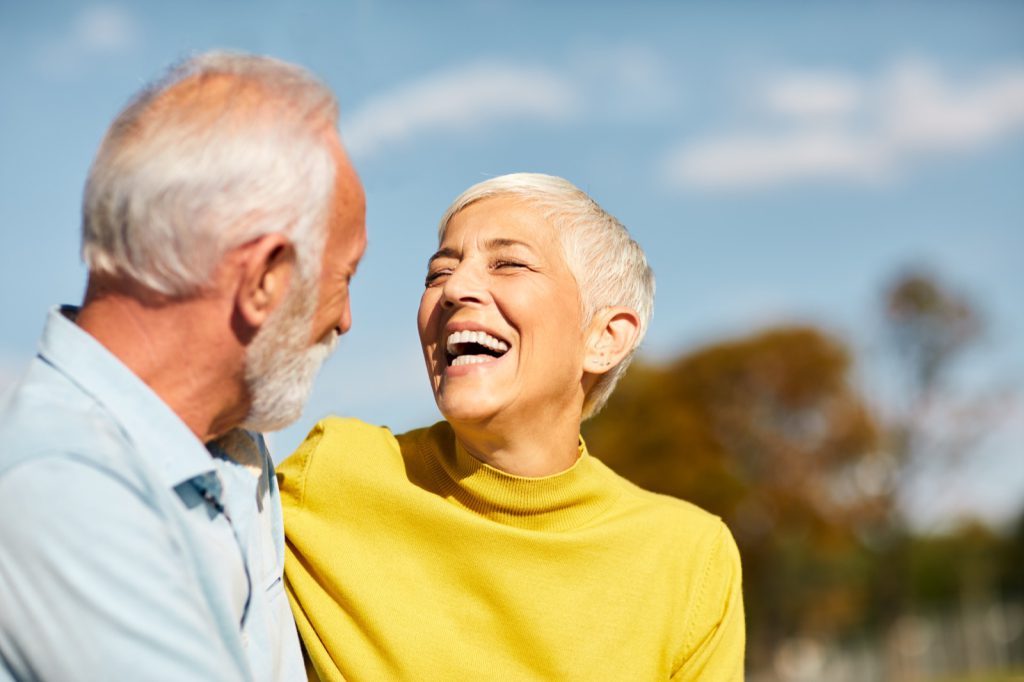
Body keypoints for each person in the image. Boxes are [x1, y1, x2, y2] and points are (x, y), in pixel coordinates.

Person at [279, 173, 744, 681]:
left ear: (605, 338)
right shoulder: (331, 472)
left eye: (508, 263)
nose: (454, 289)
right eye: (438, 273)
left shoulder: (690, 558)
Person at [0, 51, 366, 682]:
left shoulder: (230, 444)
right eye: (344, 277)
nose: (346, 319)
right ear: (264, 279)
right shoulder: (65, 491)